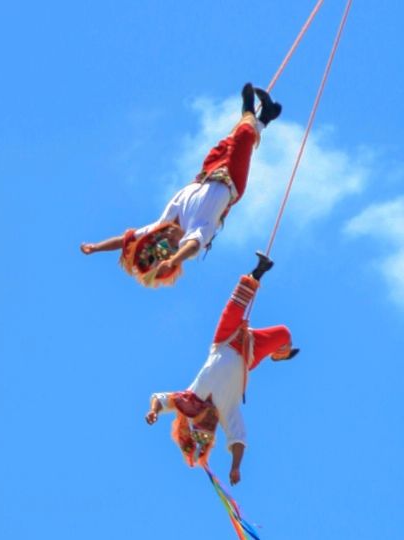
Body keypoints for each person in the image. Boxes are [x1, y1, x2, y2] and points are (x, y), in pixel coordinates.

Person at [80, 83, 283, 286]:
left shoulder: (160, 224)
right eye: (170, 241)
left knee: (229, 141)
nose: (166, 233)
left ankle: (266, 116)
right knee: (244, 136)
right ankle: (248, 109)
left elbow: (125, 240)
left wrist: (95, 247)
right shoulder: (195, 232)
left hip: (208, 173)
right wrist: (174, 260)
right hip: (231, 183)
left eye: (163, 238)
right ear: (177, 246)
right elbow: (193, 247)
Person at [145, 252, 299, 485]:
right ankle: (279, 355)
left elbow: (159, 398)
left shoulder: (188, 399)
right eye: (209, 430)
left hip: (225, 340)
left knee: (234, 308)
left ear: (192, 422)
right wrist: (235, 467)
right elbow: (238, 439)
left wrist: (154, 411)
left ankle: (259, 270)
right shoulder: (227, 411)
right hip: (249, 353)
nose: (208, 424)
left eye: (201, 426)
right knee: (284, 334)